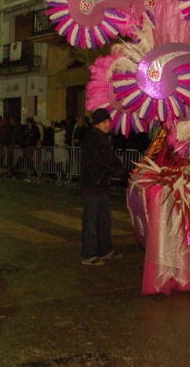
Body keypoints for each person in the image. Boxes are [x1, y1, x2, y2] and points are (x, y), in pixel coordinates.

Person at [80, 108, 122, 266]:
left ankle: (105, 250)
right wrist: (115, 171)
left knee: (105, 220)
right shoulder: (91, 139)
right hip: (92, 185)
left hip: (102, 186)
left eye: (109, 121)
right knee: (90, 222)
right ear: (97, 124)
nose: (108, 124)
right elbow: (98, 162)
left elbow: (111, 158)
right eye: (104, 122)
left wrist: (123, 170)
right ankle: (88, 255)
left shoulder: (107, 138)